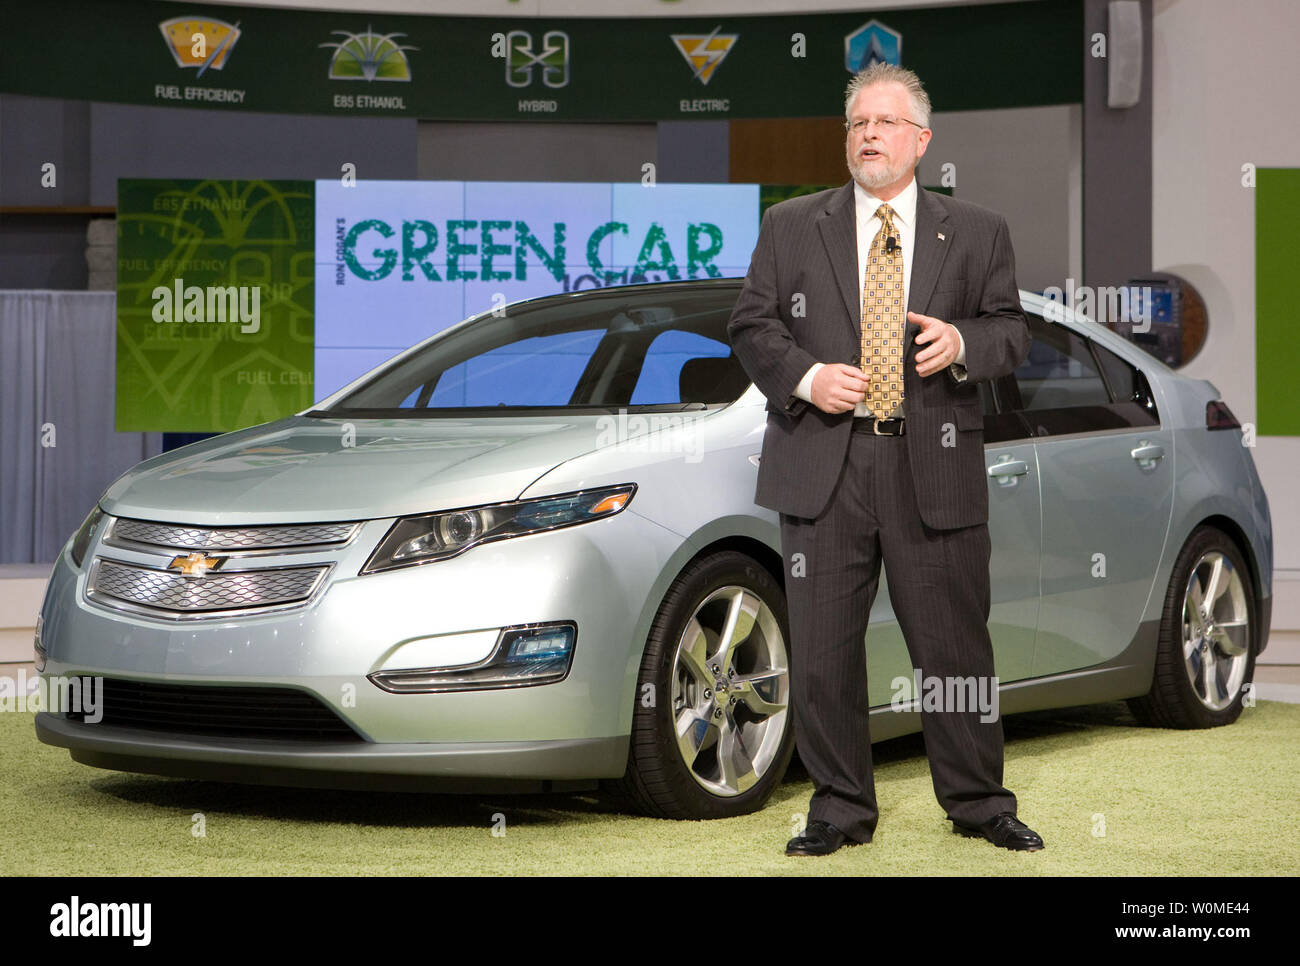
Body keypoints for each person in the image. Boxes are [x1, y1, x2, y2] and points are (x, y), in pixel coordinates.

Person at [726, 62, 1043, 856]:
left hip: (931, 463)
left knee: (954, 647)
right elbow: (752, 327)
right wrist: (806, 375)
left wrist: (965, 342)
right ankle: (837, 808)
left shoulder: (976, 230)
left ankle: (977, 801)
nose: (869, 135)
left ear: (921, 140)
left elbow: (1013, 331)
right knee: (825, 648)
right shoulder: (792, 225)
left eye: (885, 123)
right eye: (857, 123)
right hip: (824, 467)